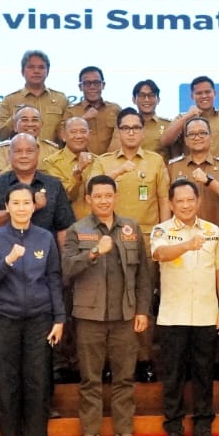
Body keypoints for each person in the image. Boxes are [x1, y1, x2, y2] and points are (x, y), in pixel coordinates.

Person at [62, 175, 154, 436]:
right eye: (98, 196)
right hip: (89, 317)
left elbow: (143, 275)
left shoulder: (131, 228)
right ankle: (90, 435)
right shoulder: (77, 230)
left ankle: (124, 434)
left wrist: (142, 310)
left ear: (116, 197)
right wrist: (93, 253)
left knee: (124, 378)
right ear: (88, 199)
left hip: (125, 316)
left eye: (108, 195)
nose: (104, 201)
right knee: (90, 379)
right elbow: (67, 270)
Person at [0, 184, 65, 436]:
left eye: (26, 202)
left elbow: (54, 278)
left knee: (37, 378)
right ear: (7, 207)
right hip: (4, 317)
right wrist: (8, 261)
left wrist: (59, 318)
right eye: (15, 203)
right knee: (6, 380)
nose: (21, 208)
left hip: (40, 317)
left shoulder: (44, 237)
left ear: (33, 206)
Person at [87, 108, 172, 382]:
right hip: (110, 243)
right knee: (111, 303)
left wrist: (164, 235)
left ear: (143, 131)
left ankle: (144, 359)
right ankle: (110, 362)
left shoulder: (155, 161)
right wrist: (120, 170)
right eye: (126, 128)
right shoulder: (104, 162)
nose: (132, 132)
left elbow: (163, 200)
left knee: (142, 302)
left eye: (136, 127)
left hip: (145, 241)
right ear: (118, 131)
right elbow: (94, 188)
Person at [151, 178, 219, 436]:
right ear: (171, 203)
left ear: (198, 201)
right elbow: (160, 254)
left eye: (190, 200)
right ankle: (174, 430)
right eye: (180, 201)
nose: (186, 205)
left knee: (204, 375)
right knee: (173, 377)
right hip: (172, 316)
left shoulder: (212, 231)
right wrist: (186, 245)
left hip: (206, 315)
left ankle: (203, 430)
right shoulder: (162, 229)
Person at [0, 134, 76, 239]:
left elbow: (64, 228)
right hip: (6, 247)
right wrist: (30, 206)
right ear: (9, 154)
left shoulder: (53, 185)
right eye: (18, 151)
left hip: (45, 248)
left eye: (29, 151)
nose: (24, 156)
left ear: (38, 152)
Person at [167, 117, 219, 237]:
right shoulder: (174, 166)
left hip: (217, 236)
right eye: (192, 134)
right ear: (186, 140)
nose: (197, 137)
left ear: (211, 138)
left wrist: (209, 181)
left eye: (202, 133)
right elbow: (166, 202)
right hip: (182, 237)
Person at [0, 50, 68, 143]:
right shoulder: (10, 100)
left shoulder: (61, 99)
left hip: (53, 151)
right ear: (22, 72)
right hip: (22, 151)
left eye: (41, 67)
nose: (36, 71)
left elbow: (68, 132)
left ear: (47, 72)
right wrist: (15, 117)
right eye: (31, 67)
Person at [162, 76, 219, 160]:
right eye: (199, 93)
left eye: (207, 92)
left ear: (214, 93)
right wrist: (187, 116)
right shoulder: (182, 118)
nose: (204, 96)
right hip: (192, 168)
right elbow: (165, 142)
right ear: (192, 96)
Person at [41, 117, 96, 220]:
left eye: (83, 131)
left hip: (96, 223)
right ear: (63, 135)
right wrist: (77, 175)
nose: (79, 136)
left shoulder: (99, 161)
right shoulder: (51, 163)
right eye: (73, 132)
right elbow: (64, 197)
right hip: (68, 223)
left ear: (90, 134)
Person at [61, 66, 121, 155]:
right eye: (87, 83)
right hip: (80, 161)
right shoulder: (71, 111)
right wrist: (83, 119)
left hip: (110, 160)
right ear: (80, 87)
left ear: (103, 85)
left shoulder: (115, 109)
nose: (92, 87)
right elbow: (61, 136)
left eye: (96, 83)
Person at [0, 105, 62, 176]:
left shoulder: (52, 150)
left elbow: (58, 178)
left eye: (35, 120)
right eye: (24, 120)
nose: (30, 124)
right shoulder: (4, 149)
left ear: (41, 125)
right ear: (15, 126)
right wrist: (16, 163)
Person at [131, 79, 172, 156]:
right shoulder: (126, 126)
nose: (146, 99)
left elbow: (176, 156)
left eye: (151, 95)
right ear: (134, 100)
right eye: (142, 95)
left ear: (158, 100)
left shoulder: (169, 125)